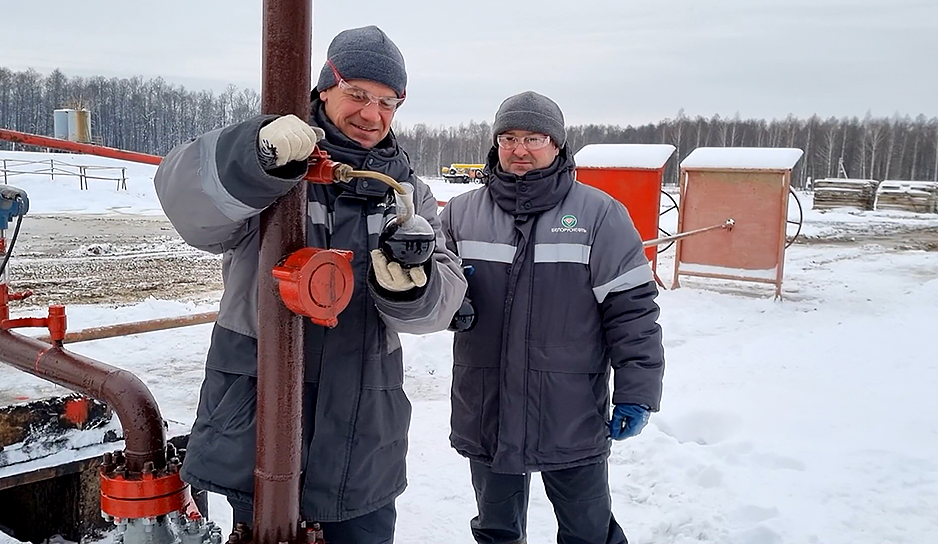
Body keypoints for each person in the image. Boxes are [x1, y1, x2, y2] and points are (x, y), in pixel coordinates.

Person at [154, 25, 467, 543]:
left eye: (388, 102)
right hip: (260, 418)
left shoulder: (408, 192)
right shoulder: (270, 158)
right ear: (325, 87)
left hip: (362, 436)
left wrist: (412, 290)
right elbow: (186, 204)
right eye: (358, 95)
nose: (372, 114)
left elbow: (441, 299)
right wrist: (252, 160)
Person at [440, 91, 665, 544]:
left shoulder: (599, 215)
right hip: (487, 407)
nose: (519, 149)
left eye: (534, 137)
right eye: (508, 137)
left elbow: (632, 312)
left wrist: (637, 390)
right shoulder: (462, 213)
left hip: (571, 410)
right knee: (496, 530)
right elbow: (435, 297)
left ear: (558, 144)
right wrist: (449, 301)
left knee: (588, 532)